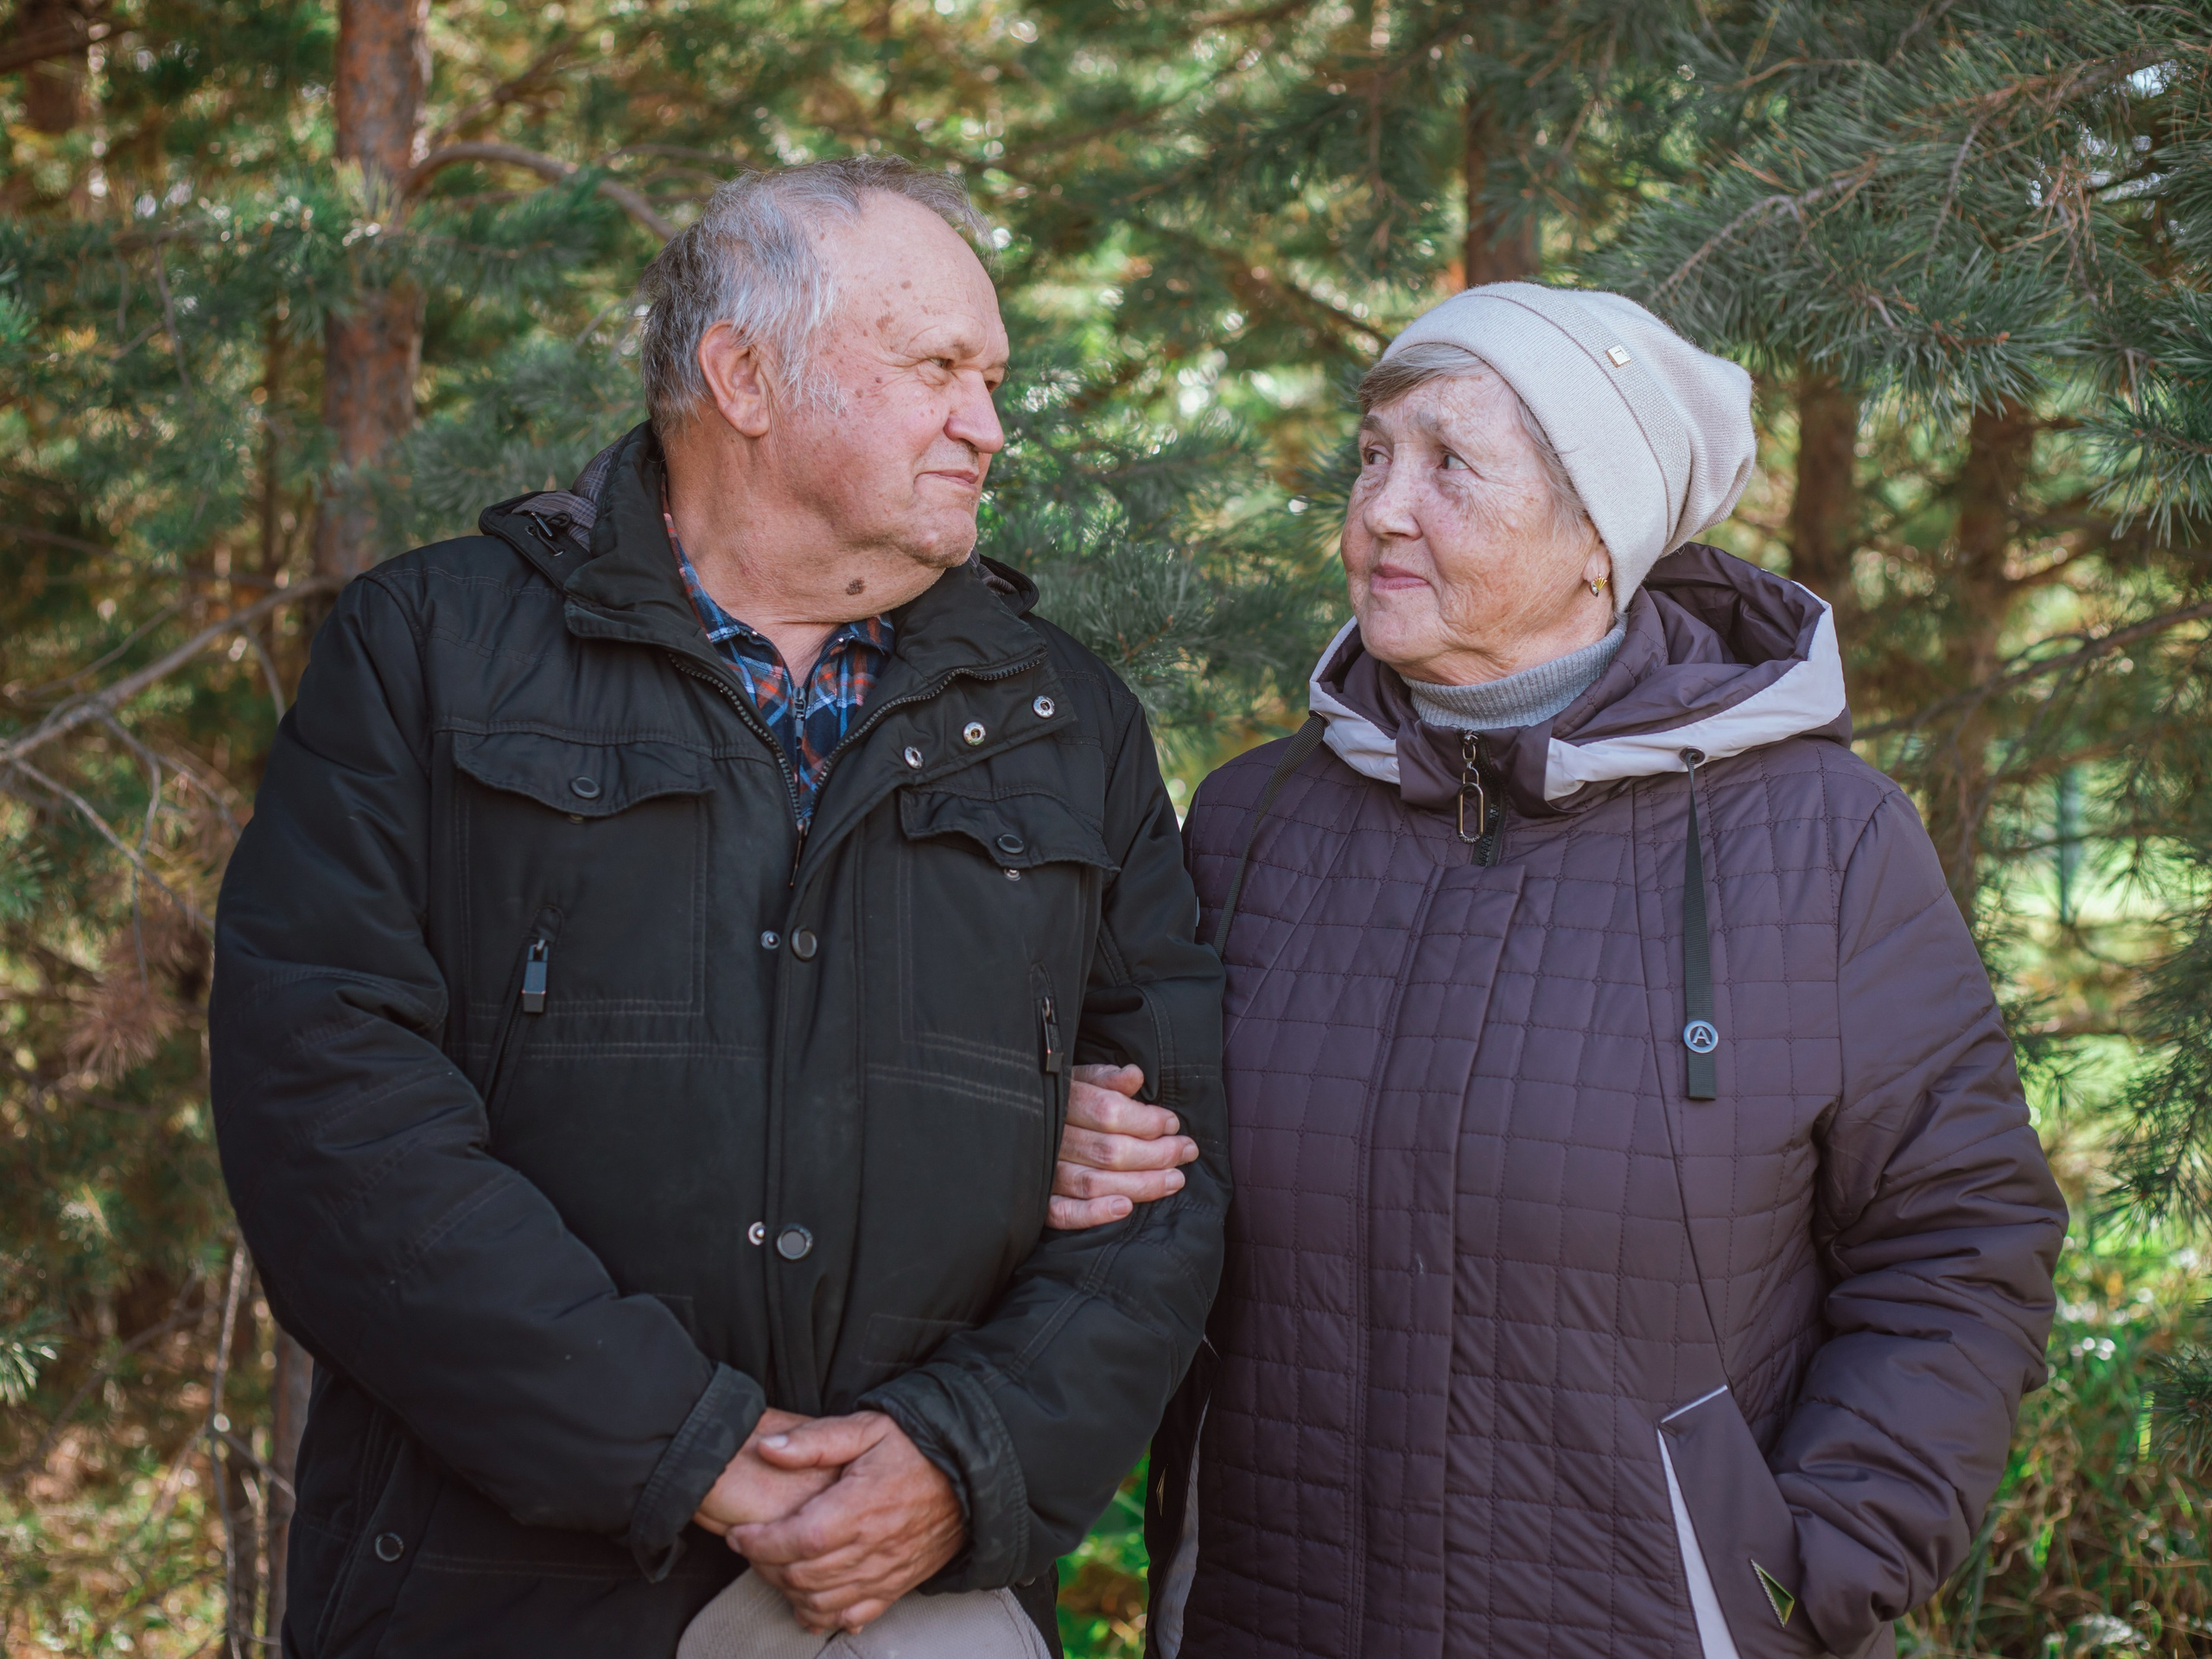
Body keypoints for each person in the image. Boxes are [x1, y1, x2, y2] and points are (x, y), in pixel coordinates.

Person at [208, 156, 1227, 1659]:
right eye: (936, 369)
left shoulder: (1068, 723)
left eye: (993, 380)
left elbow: (1169, 1177)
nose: (987, 425)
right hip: (493, 1600)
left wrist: (961, 1462)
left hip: (917, 1606)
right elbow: (327, 1109)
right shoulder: (430, 650)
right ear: (743, 377)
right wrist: (690, 1451)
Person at [1122, 283, 2067, 1658]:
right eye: (1374, 455)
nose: (1382, 508)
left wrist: (1809, 1576)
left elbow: (1957, 1247)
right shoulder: (1255, 819)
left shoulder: (1822, 841)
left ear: (1598, 543)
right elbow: (1145, 1187)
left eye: (1451, 464)